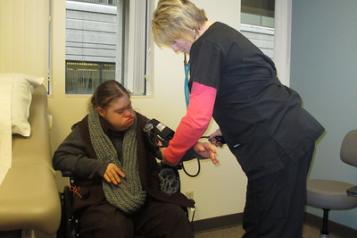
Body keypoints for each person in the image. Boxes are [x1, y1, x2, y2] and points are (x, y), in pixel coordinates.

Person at [152, 1, 325, 238]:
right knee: (260, 218)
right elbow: (247, 88)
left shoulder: (206, 46)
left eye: (173, 41)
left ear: (183, 26)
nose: (175, 49)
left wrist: (171, 156)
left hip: (278, 145)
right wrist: (224, 130)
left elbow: (197, 119)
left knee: (274, 226)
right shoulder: (221, 34)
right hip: (284, 137)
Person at [52, 80, 214, 238]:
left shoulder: (141, 123)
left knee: (174, 218)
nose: (129, 113)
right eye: (120, 111)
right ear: (101, 111)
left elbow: (167, 151)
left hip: (142, 194)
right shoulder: (85, 130)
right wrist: (99, 167)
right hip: (101, 200)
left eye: (129, 106)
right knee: (115, 228)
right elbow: (60, 158)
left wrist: (194, 150)